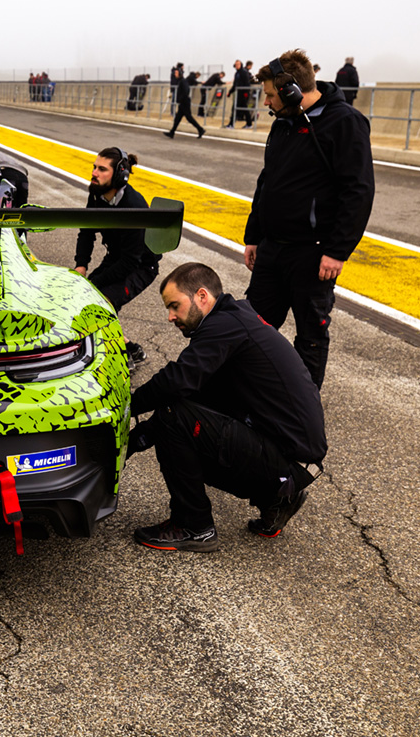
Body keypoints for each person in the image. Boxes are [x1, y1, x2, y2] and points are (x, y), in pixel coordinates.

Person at [128, 263, 327, 552]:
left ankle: (192, 526)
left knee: (174, 417)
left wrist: (125, 407)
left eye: (175, 306)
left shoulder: (226, 326)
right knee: (180, 413)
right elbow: (198, 395)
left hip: (289, 462)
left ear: (201, 296)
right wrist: (136, 438)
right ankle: (277, 499)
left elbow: (177, 381)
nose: (170, 317)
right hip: (293, 461)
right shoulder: (233, 319)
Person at [243, 49, 374, 388]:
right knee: (252, 326)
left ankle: (302, 411)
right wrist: (253, 235)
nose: (267, 103)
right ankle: (252, 394)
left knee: (309, 337)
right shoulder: (284, 122)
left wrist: (337, 250)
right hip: (273, 249)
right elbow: (267, 181)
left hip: (313, 255)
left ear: (292, 91)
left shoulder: (344, 122)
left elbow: (357, 191)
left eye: (271, 95)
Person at [73, 147, 161, 366]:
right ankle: (130, 348)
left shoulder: (134, 206)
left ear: (120, 174)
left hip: (141, 266)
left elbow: (131, 261)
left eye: (102, 169)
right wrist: (81, 265)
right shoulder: (97, 194)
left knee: (100, 304)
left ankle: (121, 359)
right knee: (84, 298)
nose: (94, 173)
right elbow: (86, 231)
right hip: (117, 259)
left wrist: (93, 283)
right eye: (94, 167)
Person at [163, 71, 205, 139]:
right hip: (183, 102)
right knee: (177, 118)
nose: (175, 74)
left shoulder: (183, 81)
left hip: (184, 102)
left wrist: (180, 99)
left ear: (180, 74)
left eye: (176, 73)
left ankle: (200, 129)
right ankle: (172, 132)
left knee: (189, 118)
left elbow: (186, 91)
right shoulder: (181, 81)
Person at [225, 59, 255, 128]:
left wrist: (246, 93)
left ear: (241, 64)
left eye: (238, 64)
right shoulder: (236, 73)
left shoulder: (244, 72)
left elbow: (247, 83)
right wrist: (230, 92)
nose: (237, 66)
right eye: (236, 64)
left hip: (243, 94)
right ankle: (247, 124)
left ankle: (233, 124)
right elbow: (235, 85)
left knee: (241, 109)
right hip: (238, 94)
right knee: (238, 109)